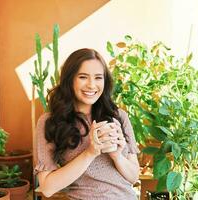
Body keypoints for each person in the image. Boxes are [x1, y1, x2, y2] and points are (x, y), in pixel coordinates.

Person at [34, 48, 140, 200]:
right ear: (70, 79)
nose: (92, 85)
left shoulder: (118, 116)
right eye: (83, 77)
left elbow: (133, 177)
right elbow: (48, 188)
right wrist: (90, 152)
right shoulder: (51, 121)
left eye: (98, 77)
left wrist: (117, 157)